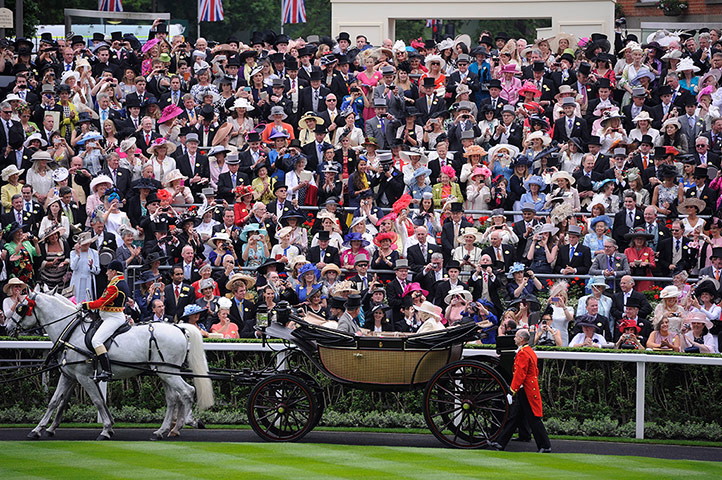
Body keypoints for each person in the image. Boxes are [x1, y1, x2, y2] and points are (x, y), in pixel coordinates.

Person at [489, 329, 552, 453]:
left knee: (533, 419)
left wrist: (512, 391)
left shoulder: (523, 353)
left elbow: (519, 374)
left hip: (526, 390)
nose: (514, 338)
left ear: (522, 339)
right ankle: (501, 443)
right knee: (514, 418)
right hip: (526, 389)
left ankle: (545, 445)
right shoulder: (529, 351)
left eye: (516, 337)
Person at [81, 259, 131, 382]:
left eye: (108, 271)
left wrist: (84, 305)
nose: (106, 273)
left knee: (96, 340)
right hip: (109, 316)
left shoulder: (114, 286)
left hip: (113, 318)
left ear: (113, 271)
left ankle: (106, 371)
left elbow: (100, 302)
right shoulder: (119, 282)